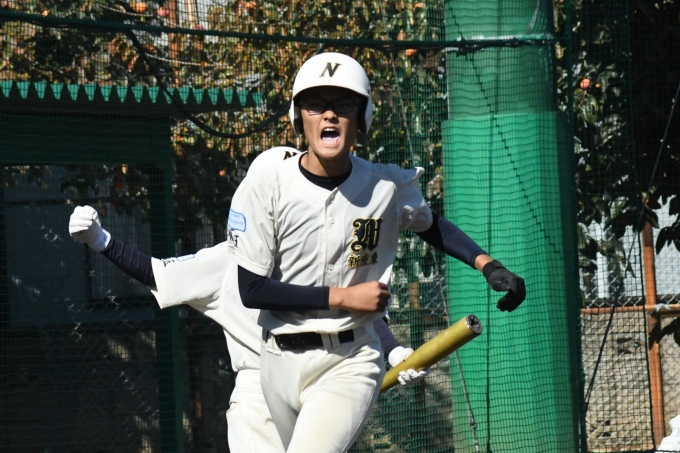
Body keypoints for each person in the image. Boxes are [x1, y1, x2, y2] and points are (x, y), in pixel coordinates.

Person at [228, 52, 526, 453]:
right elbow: (252, 289)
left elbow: (431, 225)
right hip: (277, 360)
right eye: (315, 104)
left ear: (362, 118)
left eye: (343, 104)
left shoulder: (386, 186)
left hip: (349, 357)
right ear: (298, 117)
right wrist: (342, 297)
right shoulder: (266, 185)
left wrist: (488, 265)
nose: (329, 114)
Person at [67, 147, 428, 453]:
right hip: (260, 391)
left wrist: (394, 352)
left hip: (326, 375)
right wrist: (101, 241)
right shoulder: (228, 258)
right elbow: (157, 272)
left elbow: (352, 308)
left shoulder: (319, 250)